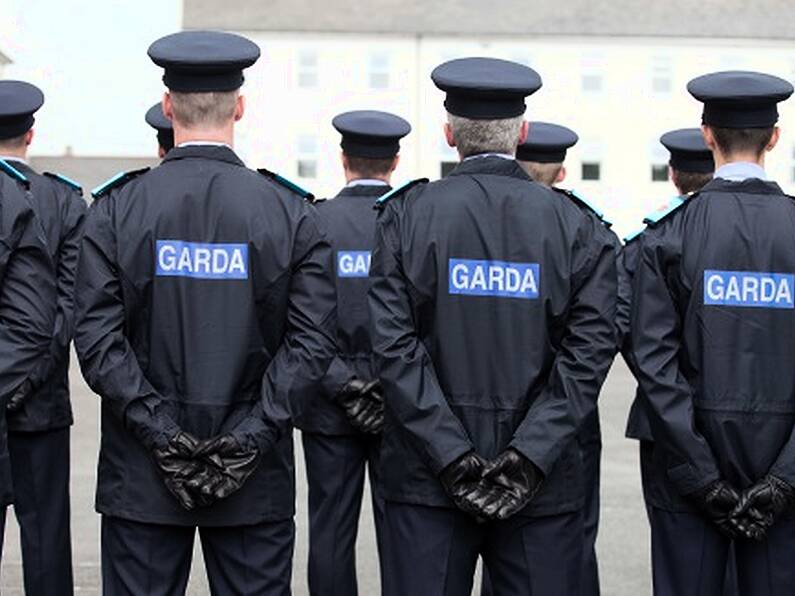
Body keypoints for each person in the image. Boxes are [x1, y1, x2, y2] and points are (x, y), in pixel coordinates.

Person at [73, 30, 337, 596]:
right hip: (253, 476)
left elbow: (97, 341)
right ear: (239, 106)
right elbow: (311, 345)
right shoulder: (288, 212)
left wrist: (161, 434)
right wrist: (250, 437)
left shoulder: (116, 210)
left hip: (143, 475)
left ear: (168, 108)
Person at [369, 57, 617, 596]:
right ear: (522, 134)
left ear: (449, 134)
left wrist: (452, 454)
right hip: (541, 482)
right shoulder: (578, 228)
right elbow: (586, 358)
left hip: (426, 480)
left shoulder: (405, 217)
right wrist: (526, 457)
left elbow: (394, 349)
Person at [631, 71, 795, 596]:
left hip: (685, 468)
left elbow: (654, 365)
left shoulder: (666, 238)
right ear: (773, 137)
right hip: (784, 467)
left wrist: (701, 473)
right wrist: (785, 477)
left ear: (706, 135)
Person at [297, 109, 410, 596]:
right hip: (401, 402)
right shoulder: (411, 219)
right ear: (396, 161)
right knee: (404, 529)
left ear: (343, 159)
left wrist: (340, 380)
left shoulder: (315, 220)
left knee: (330, 528)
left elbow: (299, 317)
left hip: (327, 402)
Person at [510, 120, 616, 596]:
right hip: (564, 421)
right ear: (562, 172)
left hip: (475, 426)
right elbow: (597, 341)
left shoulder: (473, 219)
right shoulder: (586, 229)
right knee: (570, 545)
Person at [0, 80, 87, 596]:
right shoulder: (63, 200)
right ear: (30, 134)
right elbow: (67, 308)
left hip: (30, 395)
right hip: (42, 402)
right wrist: (27, 382)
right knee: (47, 545)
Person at [0, 161, 57, 572]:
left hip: (39, 401)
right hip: (41, 397)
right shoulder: (44, 199)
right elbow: (56, 315)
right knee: (46, 538)